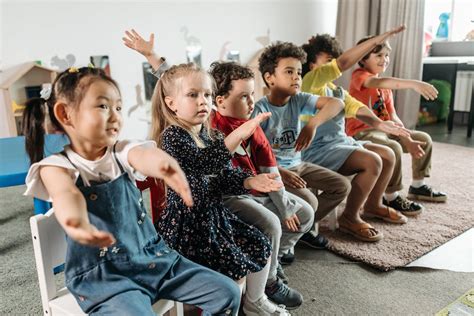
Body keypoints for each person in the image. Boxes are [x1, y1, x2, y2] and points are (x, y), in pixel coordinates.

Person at [22, 66, 241, 315]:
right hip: (107, 278)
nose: (115, 116)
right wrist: (78, 225)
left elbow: (145, 155)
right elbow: (65, 195)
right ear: (65, 114)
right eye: (103, 106)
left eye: (118, 107)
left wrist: (168, 168)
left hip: (154, 258)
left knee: (227, 293)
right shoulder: (55, 166)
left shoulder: (120, 151)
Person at [151, 62, 291, 316]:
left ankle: (252, 302)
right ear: (171, 103)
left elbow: (221, 175)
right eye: (192, 95)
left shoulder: (206, 134)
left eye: (206, 94)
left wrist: (249, 181)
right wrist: (239, 133)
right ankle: (230, 306)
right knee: (232, 272)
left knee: (259, 243)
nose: (202, 101)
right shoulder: (173, 136)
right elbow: (203, 164)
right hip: (189, 226)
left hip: (213, 217)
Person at [210, 61, 314, 308]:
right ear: (220, 100)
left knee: (305, 214)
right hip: (230, 195)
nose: (251, 102)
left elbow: (270, 171)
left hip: (258, 189)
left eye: (252, 95)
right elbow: (180, 90)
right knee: (271, 224)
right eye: (243, 96)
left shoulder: (253, 126)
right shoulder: (211, 125)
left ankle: (274, 261)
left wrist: (286, 206)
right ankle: (269, 282)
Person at [299, 26, 412, 242]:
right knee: (372, 161)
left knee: (387, 155)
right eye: (327, 60)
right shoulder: (309, 84)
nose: (334, 64)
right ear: (312, 65)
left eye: (334, 58)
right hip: (316, 151)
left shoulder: (337, 91)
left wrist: (381, 124)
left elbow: (358, 108)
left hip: (340, 144)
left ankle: (373, 204)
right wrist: (380, 38)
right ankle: (350, 217)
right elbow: (342, 64)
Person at [253, 41, 351, 245]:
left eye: (298, 71)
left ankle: (300, 229)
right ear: (270, 78)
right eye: (289, 71)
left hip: (299, 164)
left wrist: (312, 124)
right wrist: (279, 172)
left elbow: (337, 103)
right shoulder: (260, 111)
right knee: (311, 201)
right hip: (275, 171)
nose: (297, 76)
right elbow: (253, 157)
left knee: (341, 186)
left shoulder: (299, 99)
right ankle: (288, 238)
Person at [347, 36, 447, 214]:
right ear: (363, 58)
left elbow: (392, 115)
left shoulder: (386, 88)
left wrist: (406, 135)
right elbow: (375, 82)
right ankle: (390, 196)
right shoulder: (359, 77)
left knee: (423, 139)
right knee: (393, 147)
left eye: (386, 55)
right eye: (378, 55)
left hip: (387, 129)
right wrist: (413, 84)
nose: (384, 59)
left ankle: (417, 185)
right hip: (364, 132)